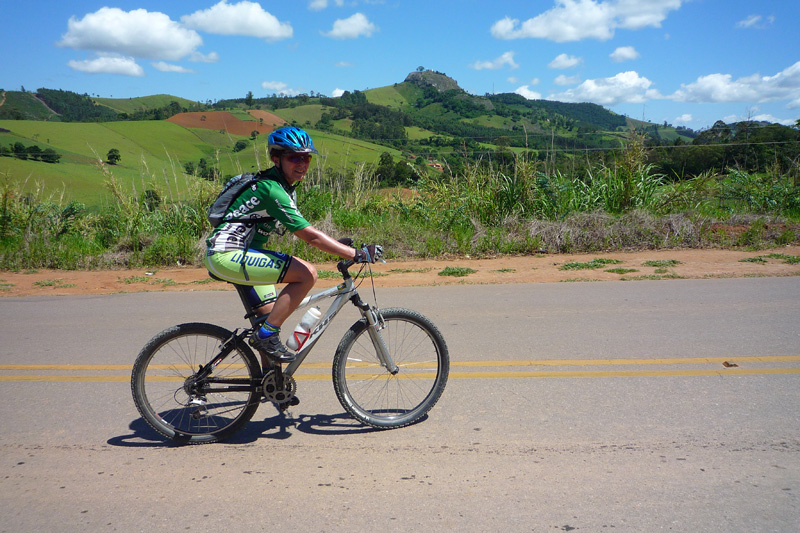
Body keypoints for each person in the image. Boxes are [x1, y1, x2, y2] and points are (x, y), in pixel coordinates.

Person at [204, 126, 381, 365]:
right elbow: (311, 237)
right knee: (307, 274)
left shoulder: (284, 187)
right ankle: (266, 336)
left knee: (269, 316)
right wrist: (356, 253)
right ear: (276, 158)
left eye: (306, 157)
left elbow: (307, 233)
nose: (302, 163)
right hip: (228, 254)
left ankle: (269, 384)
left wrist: (337, 247)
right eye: (294, 157)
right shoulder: (271, 189)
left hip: (241, 254)